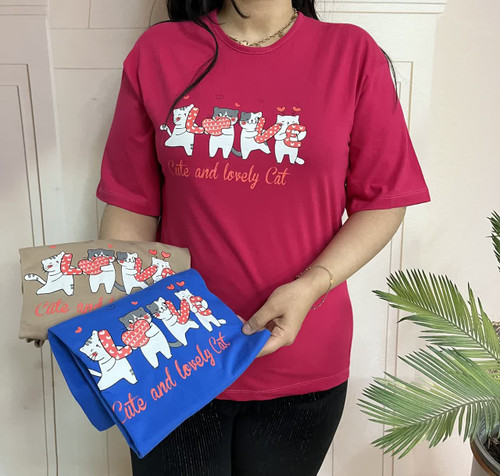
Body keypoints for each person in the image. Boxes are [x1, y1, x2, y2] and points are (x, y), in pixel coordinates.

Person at [96, 0, 431, 474]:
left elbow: (383, 200)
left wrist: (312, 284)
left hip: (303, 363)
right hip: (174, 360)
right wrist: (112, 321)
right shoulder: (159, 52)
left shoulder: (352, 55)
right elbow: (131, 206)